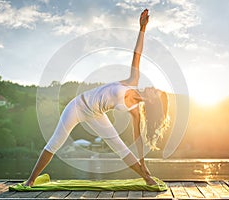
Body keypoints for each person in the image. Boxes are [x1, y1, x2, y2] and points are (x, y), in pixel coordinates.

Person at [25, 9, 169, 186]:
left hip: (97, 115)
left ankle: (148, 179)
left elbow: (137, 139)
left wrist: (143, 163)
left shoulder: (135, 111)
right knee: (55, 143)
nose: (153, 88)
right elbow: (137, 54)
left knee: (120, 147)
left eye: (156, 92)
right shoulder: (133, 81)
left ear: (153, 101)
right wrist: (142, 29)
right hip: (78, 106)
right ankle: (30, 181)